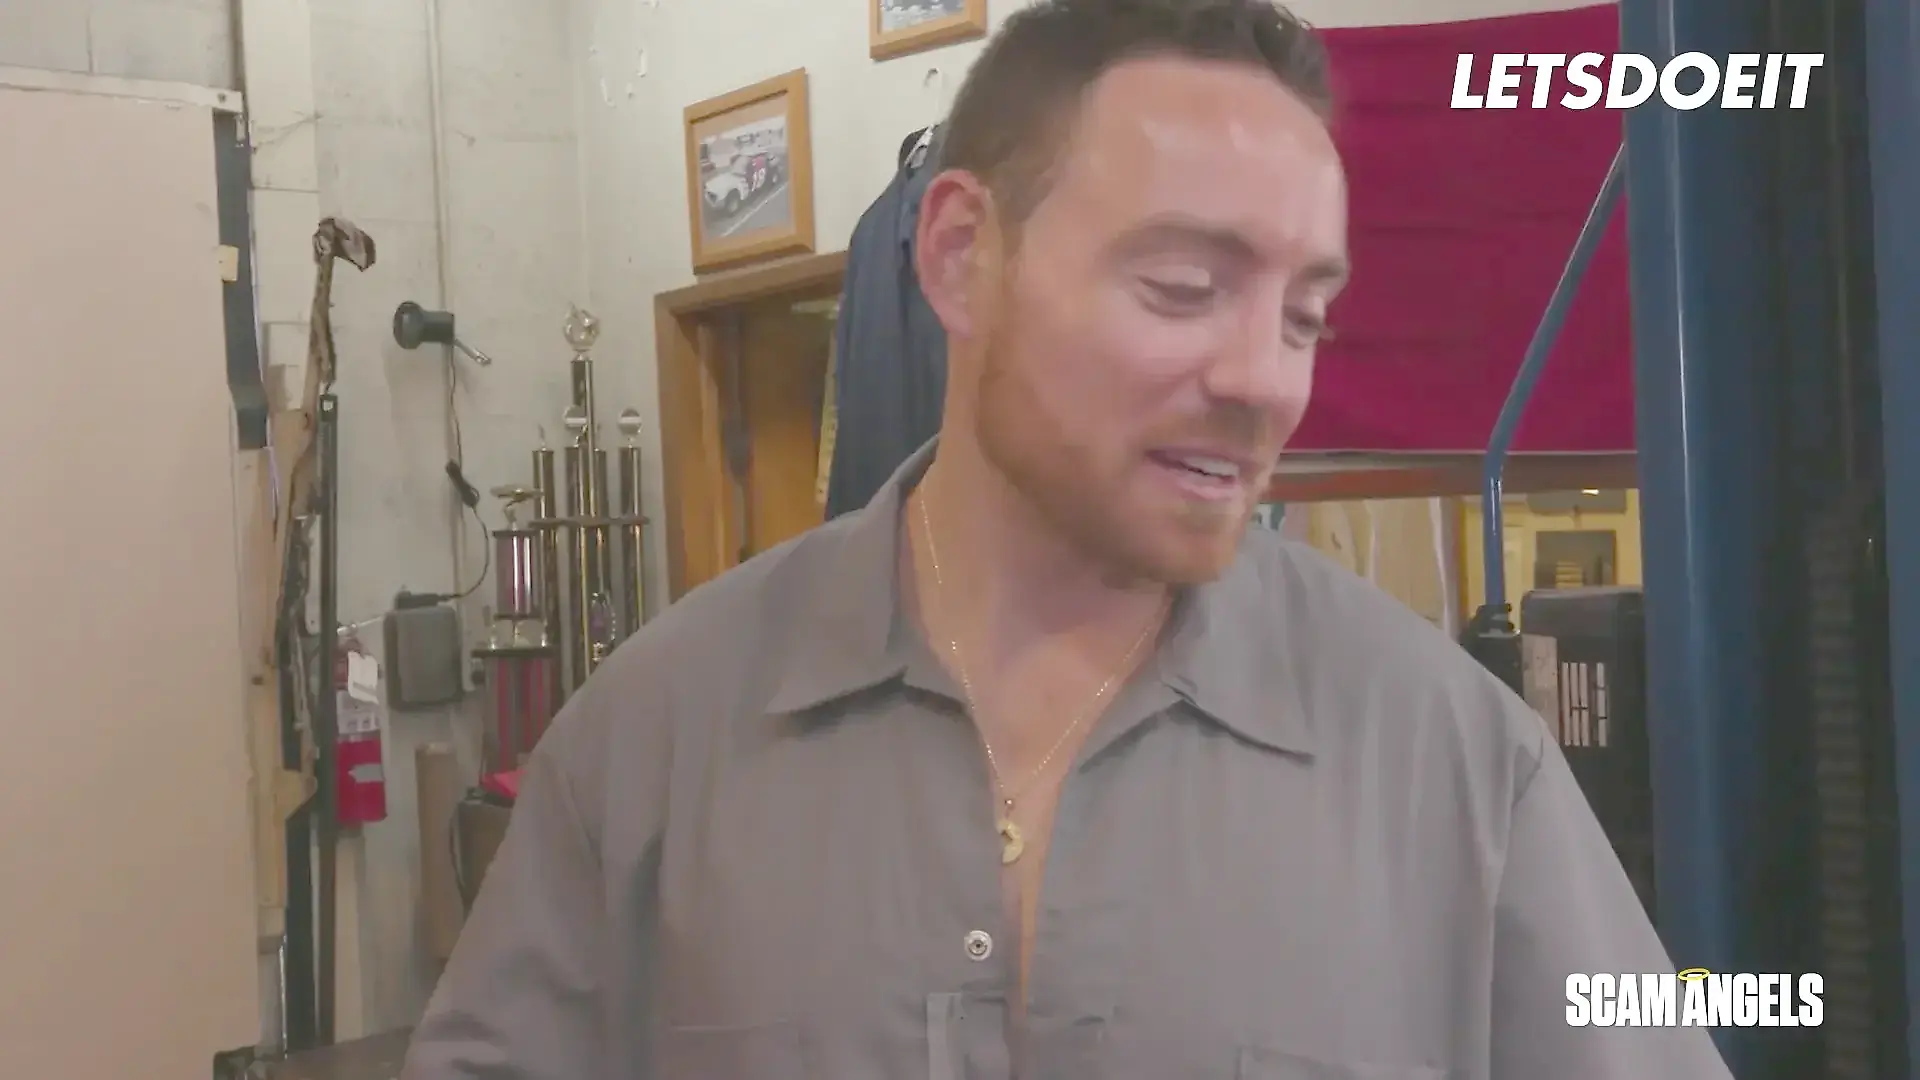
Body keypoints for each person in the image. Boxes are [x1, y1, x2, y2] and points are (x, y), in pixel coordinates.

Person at [403, 1, 1732, 1077]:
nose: (1266, 380)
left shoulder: (1458, 767)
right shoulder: (653, 742)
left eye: (1304, 317)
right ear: (960, 255)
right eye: (1184, 288)